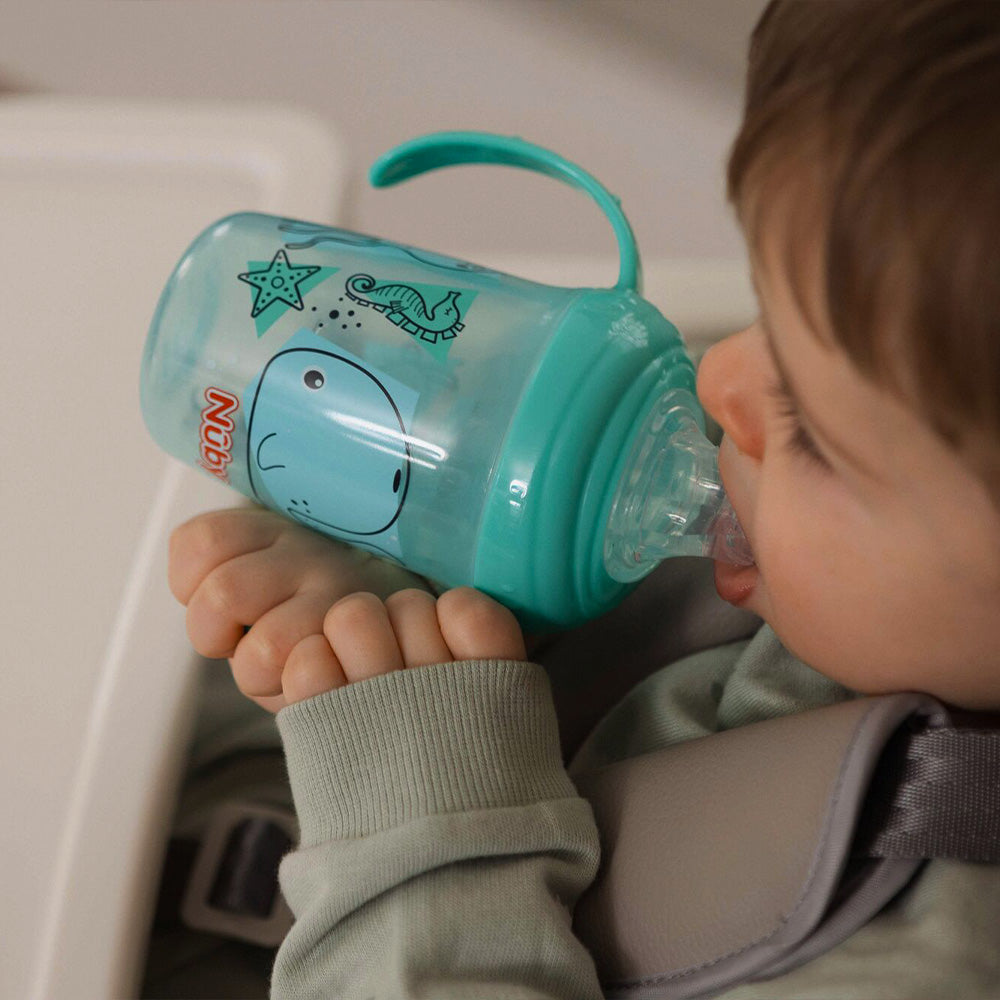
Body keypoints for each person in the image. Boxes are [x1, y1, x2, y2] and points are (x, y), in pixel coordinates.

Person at [166, 1, 1000, 996]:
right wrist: (427, 574)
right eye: (766, 312)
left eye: (813, 432)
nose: (720, 376)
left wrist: (420, 832)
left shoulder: (925, 963)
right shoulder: (860, 561)